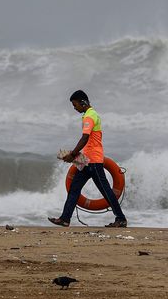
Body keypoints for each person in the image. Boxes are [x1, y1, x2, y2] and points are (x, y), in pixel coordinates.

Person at [48, 90, 128, 228]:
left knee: (106, 191)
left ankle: (121, 219)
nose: (74, 108)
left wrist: (72, 154)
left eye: (75, 105)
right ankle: (65, 219)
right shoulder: (91, 115)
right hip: (87, 161)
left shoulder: (90, 116)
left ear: (83, 103)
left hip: (94, 162)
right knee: (74, 189)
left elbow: (85, 138)